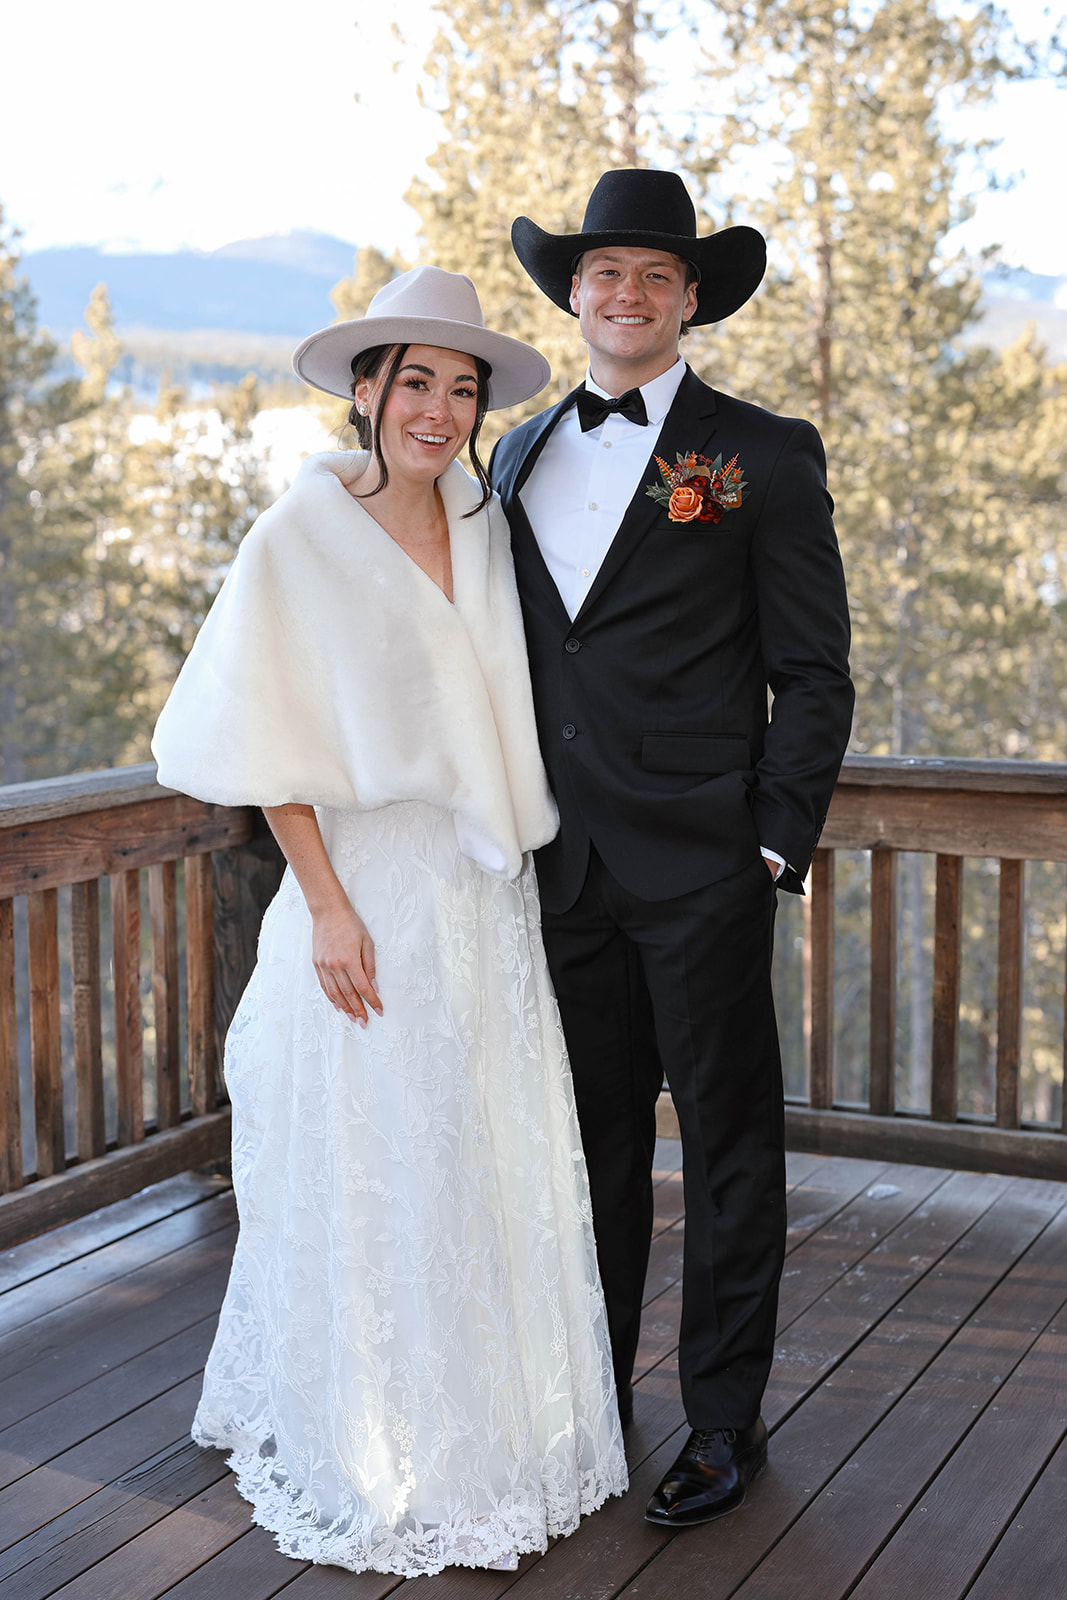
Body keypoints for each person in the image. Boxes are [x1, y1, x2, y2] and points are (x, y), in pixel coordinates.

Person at [151, 266, 628, 1578]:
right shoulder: (298, 539)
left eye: (461, 387)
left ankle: (490, 1438)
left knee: (476, 1159)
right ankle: (373, 1441)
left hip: (481, 892)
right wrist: (328, 909)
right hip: (363, 891)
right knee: (378, 1159)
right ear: (366, 391)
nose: (437, 407)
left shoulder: (482, 524)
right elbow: (268, 744)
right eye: (414, 380)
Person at [490, 168, 854, 1527]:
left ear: (691, 297)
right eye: (604, 273)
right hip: (558, 872)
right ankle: (594, 1403)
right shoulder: (517, 452)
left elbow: (816, 673)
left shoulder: (761, 451)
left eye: (655, 275)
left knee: (728, 1151)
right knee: (583, 1154)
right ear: (573, 293)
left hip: (704, 870)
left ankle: (721, 1423)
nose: (627, 294)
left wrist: (770, 844)